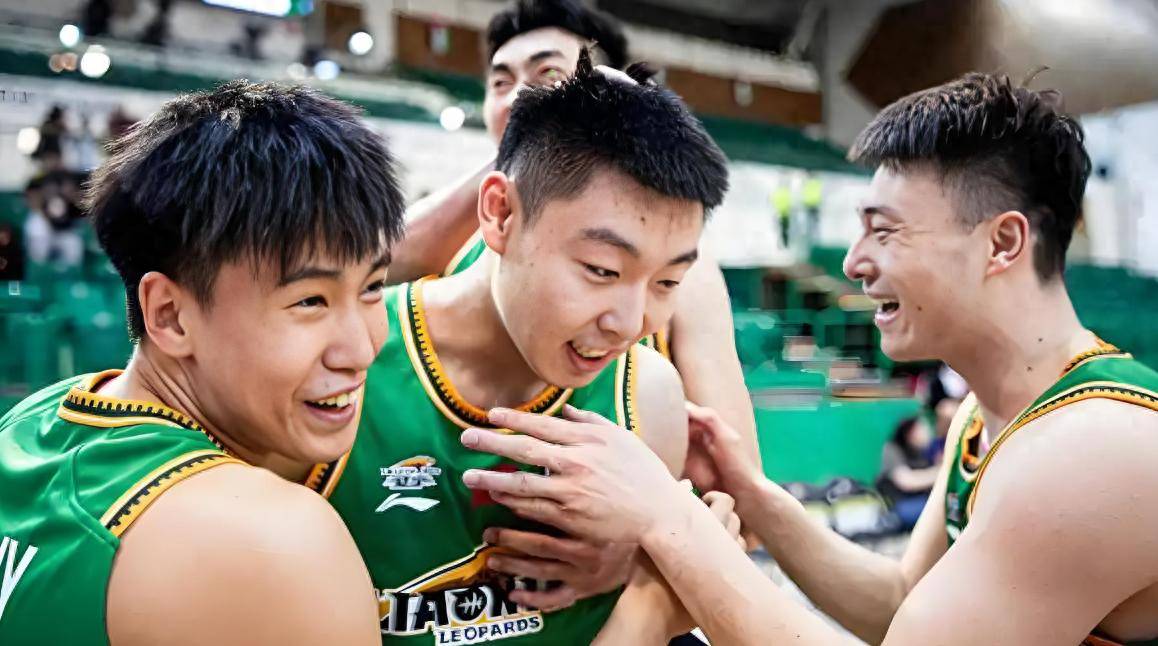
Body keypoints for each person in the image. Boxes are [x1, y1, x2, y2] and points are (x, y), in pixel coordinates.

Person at [457, 72, 1158, 645]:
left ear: (1001, 244)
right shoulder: (993, 411)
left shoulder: (1092, 448)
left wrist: (668, 519)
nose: (854, 262)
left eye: (885, 232)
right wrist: (755, 497)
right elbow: (903, 605)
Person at [311, 52, 731, 644]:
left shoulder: (648, 395)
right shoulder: (345, 364)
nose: (631, 323)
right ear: (500, 212)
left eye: (667, 282)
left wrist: (641, 562)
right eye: (602, 270)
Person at [0, 81, 407, 645]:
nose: (361, 350)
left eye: (373, 287)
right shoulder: (270, 542)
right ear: (169, 316)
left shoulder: (33, 421)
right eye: (310, 301)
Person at [387, 0, 759, 456]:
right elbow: (369, 261)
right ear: (498, 213)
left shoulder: (688, 277)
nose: (517, 97)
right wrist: (531, 149)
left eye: (547, 75)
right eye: (501, 82)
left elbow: (736, 468)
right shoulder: (457, 240)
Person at [875, 416, 938, 530]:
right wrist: (942, 471)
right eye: (920, 429)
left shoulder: (923, 450)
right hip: (898, 505)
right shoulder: (892, 449)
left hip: (921, 501)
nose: (925, 432)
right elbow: (907, 482)